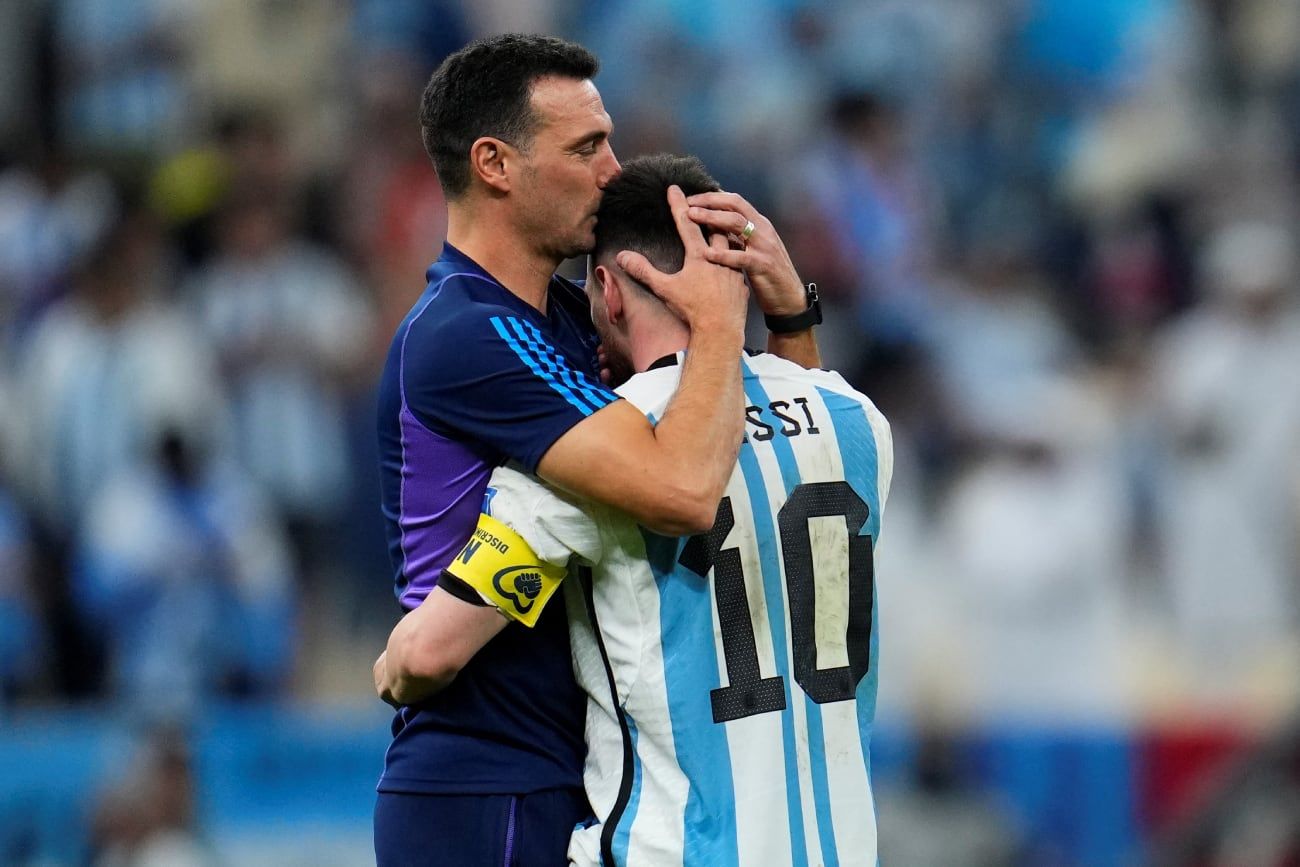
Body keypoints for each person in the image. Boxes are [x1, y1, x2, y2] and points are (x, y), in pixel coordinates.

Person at [371, 36, 823, 866]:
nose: (613, 171)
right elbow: (684, 490)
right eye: (586, 148)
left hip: (585, 780)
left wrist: (790, 317)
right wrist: (720, 321)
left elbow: (779, 453)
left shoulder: (573, 323)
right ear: (494, 164)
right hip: (489, 783)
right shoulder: (467, 336)